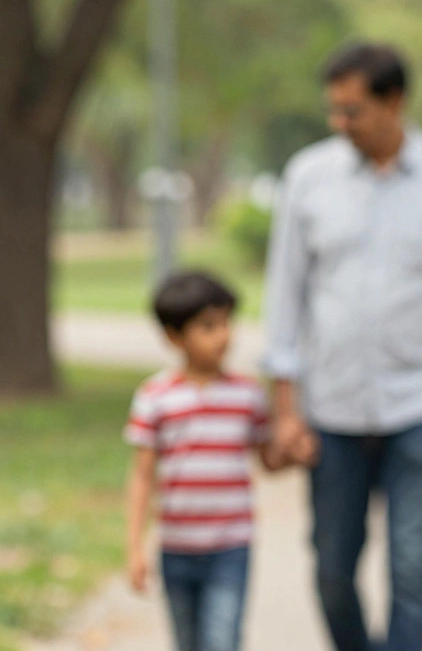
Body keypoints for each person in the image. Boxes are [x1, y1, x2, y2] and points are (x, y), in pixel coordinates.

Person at [262, 42, 422, 651]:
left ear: (394, 101)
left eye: (352, 110)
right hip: (332, 411)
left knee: (410, 569)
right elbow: (284, 297)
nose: (339, 124)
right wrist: (285, 409)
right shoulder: (307, 177)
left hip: (419, 406)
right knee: (332, 570)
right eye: (334, 111)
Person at [125, 271, 283, 651]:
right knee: (188, 642)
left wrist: (293, 450)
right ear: (174, 337)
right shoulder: (155, 397)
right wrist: (134, 546)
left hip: (231, 544)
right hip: (176, 547)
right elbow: (142, 476)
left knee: (222, 641)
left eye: (227, 322)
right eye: (208, 327)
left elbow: (268, 459)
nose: (224, 335)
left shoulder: (247, 396)